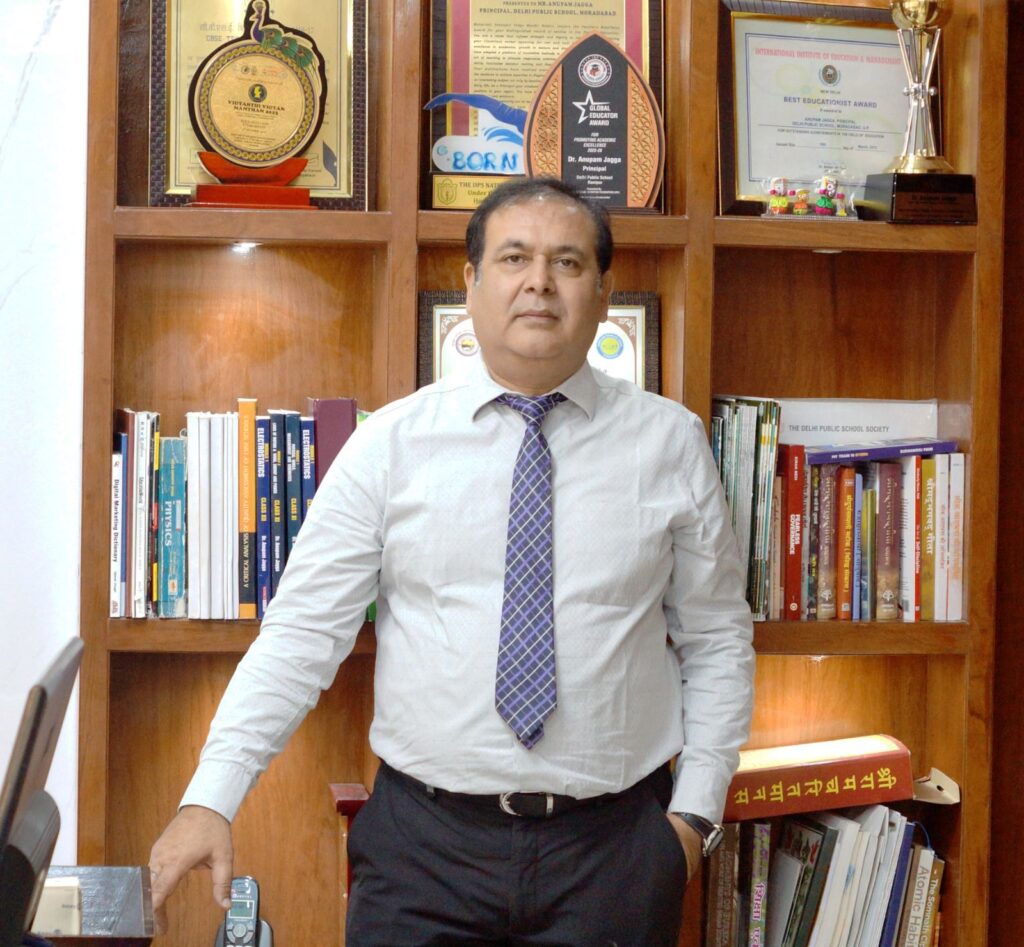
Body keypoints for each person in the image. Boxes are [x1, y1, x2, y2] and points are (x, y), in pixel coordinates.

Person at [148, 176, 755, 946]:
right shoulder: (389, 444)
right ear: (470, 284)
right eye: (514, 257)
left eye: (568, 262)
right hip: (423, 852)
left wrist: (693, 818)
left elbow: (716, 637)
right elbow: (300, 635)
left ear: (604, 294)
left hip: (613, 854)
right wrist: (211, 796)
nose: (539, 281)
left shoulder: (670, 442)